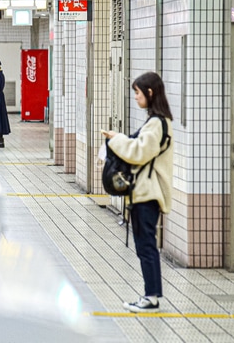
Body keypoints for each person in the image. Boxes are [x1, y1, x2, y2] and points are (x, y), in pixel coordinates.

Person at [102, 71, 174, 313]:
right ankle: (150, 294)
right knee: (145, 245)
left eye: (138, 92)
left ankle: (151, 297)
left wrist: (117, 140)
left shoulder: (157, 123)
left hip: (147, 193)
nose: (135, 96)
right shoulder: (158, 121)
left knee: (146, 246)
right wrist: (119, 138)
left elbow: (139, 152)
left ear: (150, 93)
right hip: (144, 192)